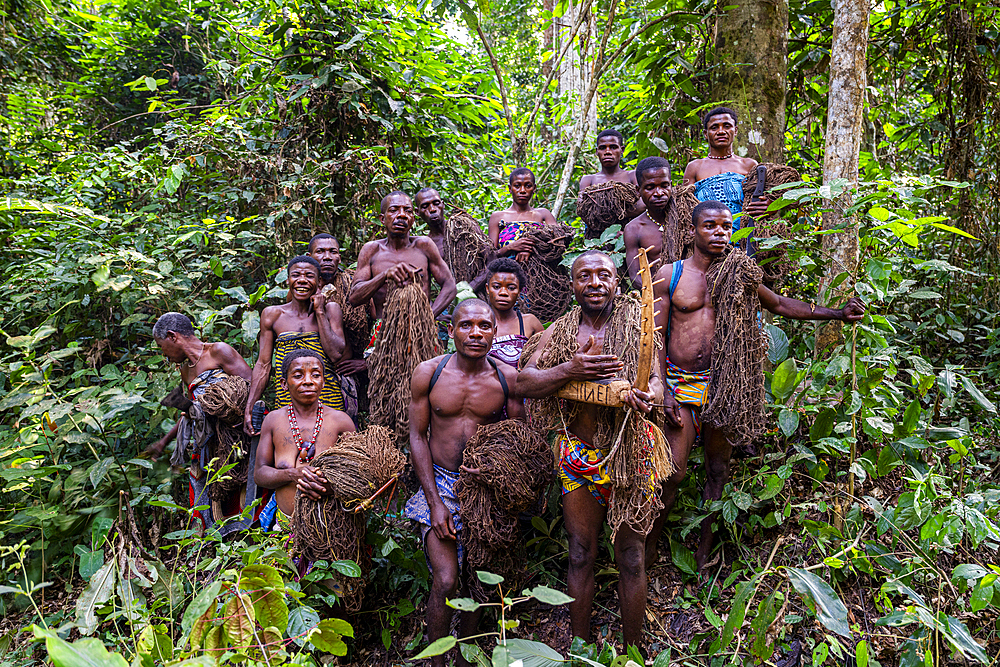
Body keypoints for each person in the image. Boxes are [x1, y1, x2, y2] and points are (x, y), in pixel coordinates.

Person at [650, 201, 866, 570]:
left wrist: (837, 314)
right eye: (710, 227)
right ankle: (646, 552)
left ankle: (703, 556)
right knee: (673, 472)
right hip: (679, 386)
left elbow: (779, 304)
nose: (720, 233)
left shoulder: (741, 275)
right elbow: (653, 335)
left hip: (725, 387)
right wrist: (663, 387)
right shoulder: (670, 275)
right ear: (691, 233)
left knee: (717, 473)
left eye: (725, 226)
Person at [516, 251, 665, 651]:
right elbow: (523, 382)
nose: (595, 283)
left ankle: (633, 653)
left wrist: (647, 396)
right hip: (577, 459)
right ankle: (580, 651)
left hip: (631, 454)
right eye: (585, 276)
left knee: (631, 557)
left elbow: (657, 381)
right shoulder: (561, 331)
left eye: (604, 275)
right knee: (581, 553)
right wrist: (570, 370)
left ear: (618, 282)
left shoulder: (641, 325)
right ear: (572, 285)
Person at [405, 299, 524, 667]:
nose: (475, 333)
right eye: (466, 325)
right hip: (439, 482)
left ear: (494, 331)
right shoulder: (429, 373)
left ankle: (465, 657)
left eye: (484, 326)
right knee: (445, 580)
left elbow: (521, 439)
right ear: (451, 330)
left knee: (481, 582)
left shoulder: (507, 378)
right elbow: (416, 436)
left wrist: (497, 473)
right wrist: (435, 502)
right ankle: (437, 661)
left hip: (485, 490)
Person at [147, 312, 254, 535]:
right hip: (206, 442)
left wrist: (225, 407)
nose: (163, 354)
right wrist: (164, 441)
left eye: (161, 346)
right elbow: (193, 411)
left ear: (172, 336)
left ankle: (245, 538)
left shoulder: (218, 351)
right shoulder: (186, 371)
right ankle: (210, 541)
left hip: (234, 437)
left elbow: (250, 388)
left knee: (238, 485)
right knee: (207, 488)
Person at [244, 256, 348, 436]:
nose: (302, 280)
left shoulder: (331, 310)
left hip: (327, 398)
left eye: (309, 276)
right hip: (287, 399)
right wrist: (250, 404)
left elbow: (336, 354)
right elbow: (263, 364)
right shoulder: (272, 315)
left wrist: (320, 311)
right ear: (288, 280)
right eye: (296, 275)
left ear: (319, 282)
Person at [254, 349, 356, 532]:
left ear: (323, 381)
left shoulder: (341, 422)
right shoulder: (273, 421)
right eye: (299, 375)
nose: (308, 381)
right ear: (284, 383)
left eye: (316, 375)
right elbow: (260, 474)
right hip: (284, 528)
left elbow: (357, 476)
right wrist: (293, 475)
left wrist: (326, 485)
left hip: (331, 527)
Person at [348, 191, 457, 327]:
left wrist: (428, 317)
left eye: (408, 211)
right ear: (382, 219)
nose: (402, 215)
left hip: (422, 330)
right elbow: (354, 298)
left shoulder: (424, 245)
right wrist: (384, 275)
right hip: (385, 331)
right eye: (394, 210)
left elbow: (450, 286)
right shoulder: (371, 250)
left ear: (413, 218)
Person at [308, 233, 370, 419]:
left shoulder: (356, 286)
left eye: (332, 251)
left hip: (348, 376)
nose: (327, 257)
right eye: (320, 251)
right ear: (310, 256)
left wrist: (368, 363)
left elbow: (381, 326)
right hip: (310, 377)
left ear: (339, 257)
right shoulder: (300, 289)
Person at [681, 107, 769, 226]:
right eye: (714, 127)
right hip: (706, 238)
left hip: (744, 237)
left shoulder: (749, 165)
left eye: (727, 126)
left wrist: (768, 206)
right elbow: (684, 208)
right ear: (706, 134)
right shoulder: (695, 167)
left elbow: (764, 202)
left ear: (735, 130)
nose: (721, 131)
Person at [578, 129, 645, 238]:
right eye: (602, 148)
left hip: (632, 235)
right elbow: (583, 211)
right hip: (597, 239)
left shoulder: (632, 176)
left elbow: (643, 204)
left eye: (613, 147)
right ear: (597, 151)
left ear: (621, 150)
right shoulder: (588, 179)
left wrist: (601, 211)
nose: (608, 151)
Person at [623, 156, 676, 289]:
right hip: (655, 298)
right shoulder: (634, 229)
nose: (658, 193)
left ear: (671, 185)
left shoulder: (687, 219)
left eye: (664, 186)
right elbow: (636, 277)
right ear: (638, 190)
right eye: (650, 187)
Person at [482, 258, 544, 367]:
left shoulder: (530, 322)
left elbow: (543, 360)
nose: (503, 293)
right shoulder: (478, 323)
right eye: (496, 287)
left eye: (511, 288)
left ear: (519, 291)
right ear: (488, 289)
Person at [488, 167, 557, 263]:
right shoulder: (497, 217)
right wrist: (511, 247)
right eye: (517, 186)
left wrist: (530, 248)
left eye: (528, 186)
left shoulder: (543, 214)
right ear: (510, 188)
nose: (522, 190)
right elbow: (490, 256)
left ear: (534, 188)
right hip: (508, 274)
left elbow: (558, 242)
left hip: (541, 274)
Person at [414, 187, 447, 259]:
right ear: (417, 212)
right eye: (425, 206)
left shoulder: (464, 228)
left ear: (443, 205)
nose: (432, 209)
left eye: (436, 203)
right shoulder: (426, 246)